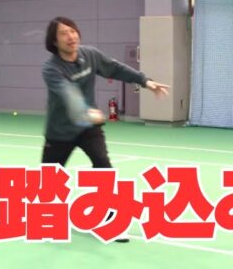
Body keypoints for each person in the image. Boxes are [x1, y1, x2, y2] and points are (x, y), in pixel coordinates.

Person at [42, 17, 169, 242]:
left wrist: (144, 81)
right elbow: (66, 92)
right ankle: (47, 217)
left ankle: (109, 221)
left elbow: (115, 68)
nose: (70, 37)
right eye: (63, 33)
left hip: (89, 128)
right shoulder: (51, 68)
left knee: (103, 166)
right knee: (50, 178)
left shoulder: (90, 55)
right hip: (60, 131)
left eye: (73, 31)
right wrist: (85, 111)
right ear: (54, 41)